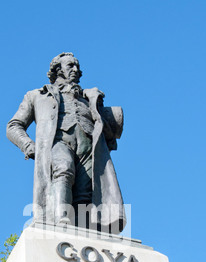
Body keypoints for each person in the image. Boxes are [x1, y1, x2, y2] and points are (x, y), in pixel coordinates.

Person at [7, 52, 126, 233]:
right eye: (71, 66)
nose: (76, 70)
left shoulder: (89, 97)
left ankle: (84, 228)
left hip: (88, 145)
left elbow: (108, 128)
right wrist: (29, 146)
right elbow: (14, 126)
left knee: (86, 190)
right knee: (63, 168)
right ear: (58, 69)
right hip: (58, 141)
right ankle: (61, 220)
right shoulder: (36, 96)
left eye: (78, 67)